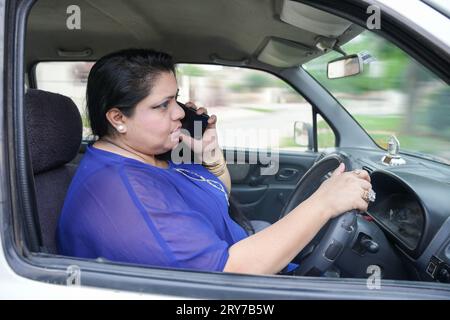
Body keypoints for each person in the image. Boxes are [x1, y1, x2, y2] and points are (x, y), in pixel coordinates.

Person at [57, 49, 372, 275]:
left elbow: (213, 197)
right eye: (161, 105)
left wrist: (213, 160)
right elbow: (232, 272)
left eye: (176, 98)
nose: (180, 113)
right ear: (117, 118)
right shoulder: (126, 195)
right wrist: (324, 203)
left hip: (249, 252)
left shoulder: (150, 155)